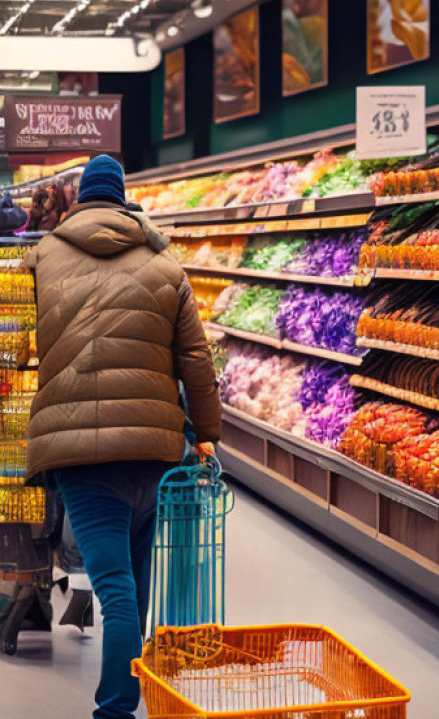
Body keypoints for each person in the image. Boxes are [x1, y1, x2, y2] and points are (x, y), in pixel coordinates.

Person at [24, 154, 221, 719]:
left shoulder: (43, 256)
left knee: (114, 591)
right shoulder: (166, 265)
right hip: (156, 454)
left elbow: (18, 343)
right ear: (125, 199)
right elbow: (196, 361)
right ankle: (131, 695)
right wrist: (205, 434)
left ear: (82, 199)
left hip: (83, 457)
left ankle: (115, 710)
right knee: (133, 586)